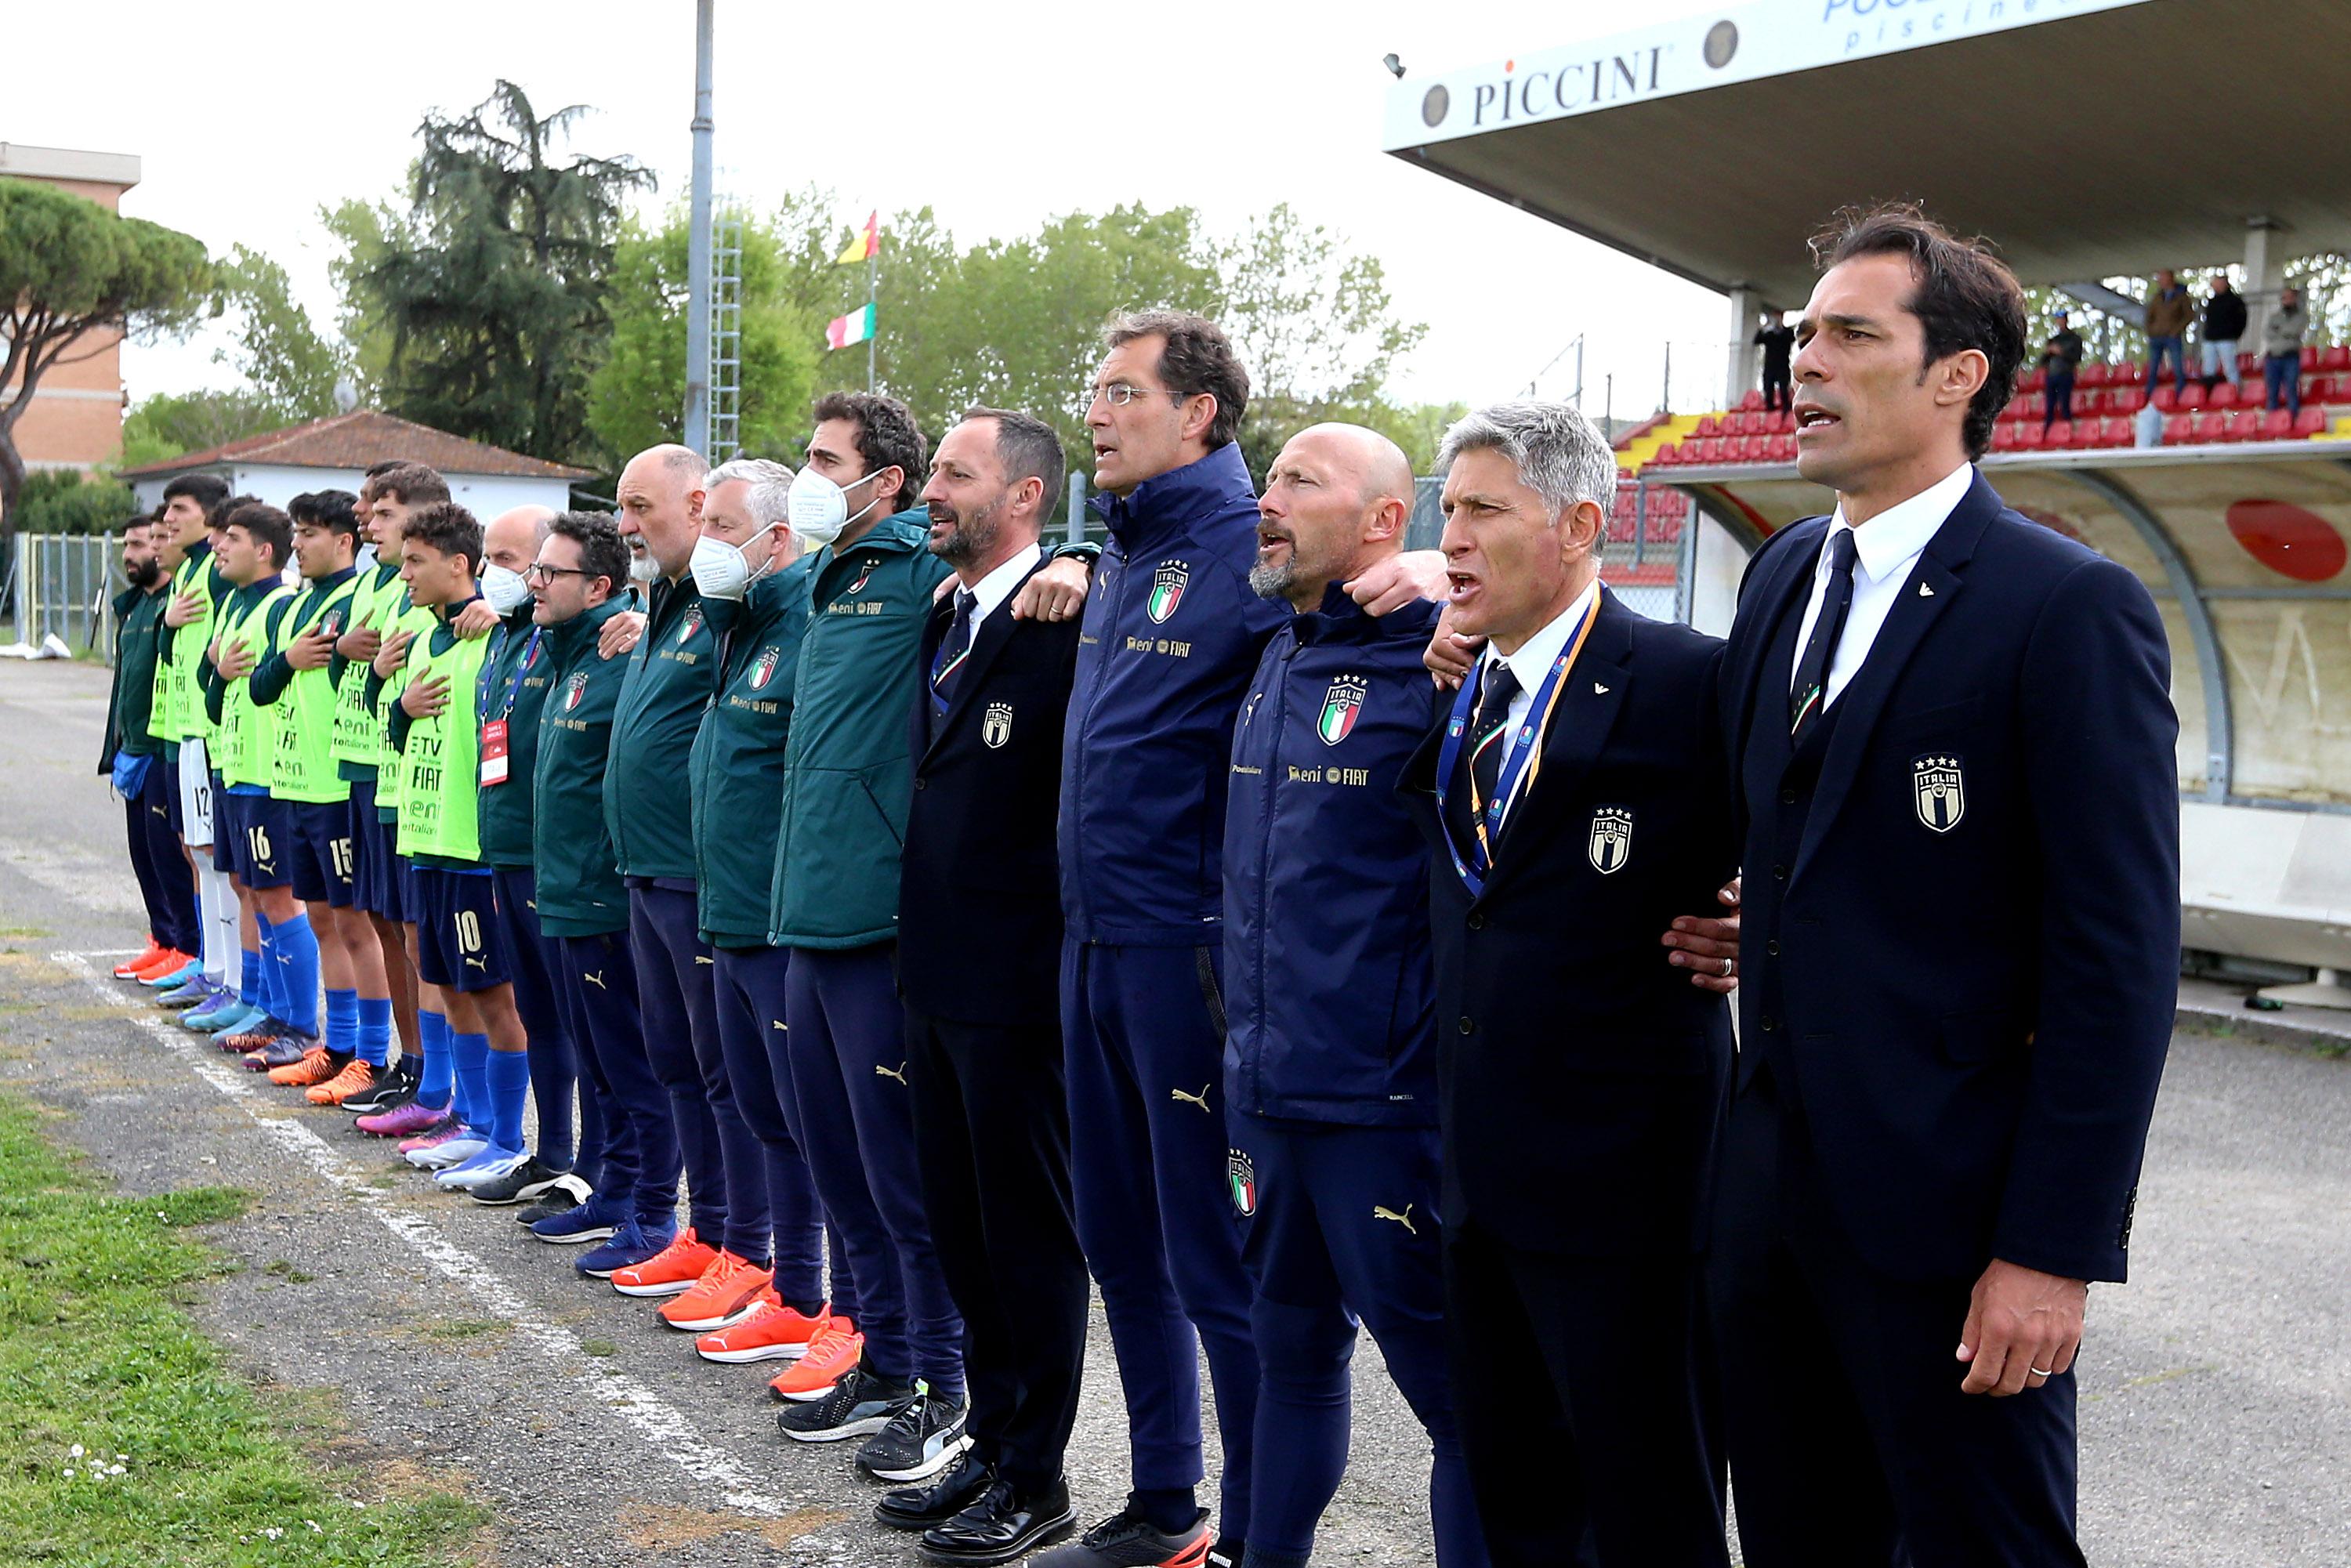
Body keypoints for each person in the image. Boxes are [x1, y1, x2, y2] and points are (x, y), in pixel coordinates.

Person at [1712, 204, 2177, 1567]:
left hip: (1955, 1228)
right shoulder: (1787, 574)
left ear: (1958, 375)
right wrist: (1446, 625)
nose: (1806, 363)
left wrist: (2054, 1248)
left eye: (1853, 335)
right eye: (1803, 336)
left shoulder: (2065, 606)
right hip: (1766, 1210)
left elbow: (2117, 956)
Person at [1037, 310, 1441, 1568]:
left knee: (1230, 1276)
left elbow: (1373, 646)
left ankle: (1249, 1541)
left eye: (1119, 392)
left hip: (1197, 964)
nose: (1093, 414)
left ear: (1196, 410)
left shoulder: (1251, 552)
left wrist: (1430, 574)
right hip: (1091, 945)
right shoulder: (1119, 548)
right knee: (1114, 1238)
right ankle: (1167, 1499)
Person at [1404, 401, 1735, 1568]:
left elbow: (1810, 840)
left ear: (1582, 525)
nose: (1451, 535)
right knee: (1518, 1499)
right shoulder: (1466, 684)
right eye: (1447, 507)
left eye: (1484, 509)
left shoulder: (1692, 682)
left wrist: (1759, 918)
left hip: (1629, 1198)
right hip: (1481, 1185)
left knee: (1651, 1510)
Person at [1223, 424, 1487, 1568]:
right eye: (1269, 479)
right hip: (1264, 1093)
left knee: (1459, 1403)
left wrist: (1448, 583)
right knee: (1289, 1361)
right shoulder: (1277, 648)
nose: (1266, 499)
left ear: (1387, 521)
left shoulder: (1444, 649)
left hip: (1385, 1108)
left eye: (1298, 482)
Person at [882, 407, 1089, 1560]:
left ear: (1023, 497)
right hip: (936, 968)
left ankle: (1042, 1471)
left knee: (1027, 1234)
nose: (932, 491)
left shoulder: (1066, 615)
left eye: (956, 475)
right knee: (960, 1226)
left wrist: (1088, 561)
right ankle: (995, 1435)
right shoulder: (944, 608)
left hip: (1019, 982)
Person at [765, 395, 976, 1477]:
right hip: (805, 905)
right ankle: (887, 1359)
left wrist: (1080, 566)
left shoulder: (918, 574)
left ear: (885, 480)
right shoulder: (820, 577)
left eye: (823, 460)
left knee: (901, 1174)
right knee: (836, 1159)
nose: (806, 476)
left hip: (878, 913)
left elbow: (1028, 574)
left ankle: (944, 1383)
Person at [679, 458, 863, 1391]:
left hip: (780, 918)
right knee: (762, 1114)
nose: (703, 543)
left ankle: (852, 1313)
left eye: (721, 526)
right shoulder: (737, 622)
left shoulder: (808, 625)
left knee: (813, 1125)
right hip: (727, 909)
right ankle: (793, 1291)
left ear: (778, 541)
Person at [603, 444, 759, 1301]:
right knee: (674, 1059)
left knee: (722, 1071)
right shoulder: (661, 598)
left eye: (641, 507)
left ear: (700, 507)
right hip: (646, 871)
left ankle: (751, 1247)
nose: (625, 526)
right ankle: (707, 1234)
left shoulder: (733, 598)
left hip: (701, 876)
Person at [523, 511, 676, 1268]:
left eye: (552, 573)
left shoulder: (624, 651)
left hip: (604, 896)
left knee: (633, 1065)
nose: (534, 582)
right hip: (562, 891)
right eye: (535, 569)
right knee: (600, 1062)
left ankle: (653, 1212)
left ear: (602, 587)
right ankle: (612, 1192)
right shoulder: (568, 652)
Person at [382, 501, 538, 1193]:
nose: (404, 571)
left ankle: (508, 1137)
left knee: (494, 993)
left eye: (416, 560)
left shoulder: (499, 629)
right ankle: (472, 1122)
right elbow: (401, 730)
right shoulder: (423, 635)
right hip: (423, 835)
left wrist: (507, 614)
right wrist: (399, 708)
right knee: (446, 983)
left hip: (474, 844)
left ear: (459, 565)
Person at [468, 503, 603, 1210]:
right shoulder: (505, 638)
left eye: (517, 561)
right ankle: (549, 1152)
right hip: (507, 846)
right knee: (538, 1010)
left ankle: (593, 1161)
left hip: (556, 858)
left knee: (583, 1018)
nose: (503, 575)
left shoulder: (585, 641)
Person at [336, 463, 469, 1120]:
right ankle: (411, 1061)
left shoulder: (463, 607)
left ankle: (434, 1079)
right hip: (385, 783)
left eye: (383, 512)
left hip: (426, 802)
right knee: (393, 928)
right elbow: (372, 695)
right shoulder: (386, 592)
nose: (369, 521)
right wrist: (360, 663)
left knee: (422, 938)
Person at [243, 491, 386, 1102]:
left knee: (358, 924)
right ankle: (339, 1043)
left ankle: (373, 1057)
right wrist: (292, 658)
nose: (297, 544)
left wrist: (316, 660)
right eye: (295, 533)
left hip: (336, 784)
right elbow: (261, 685)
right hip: (294, 780)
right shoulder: (295, 604)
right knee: (325, 917)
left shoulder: (357, 596)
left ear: (344, 542)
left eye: (309, 533)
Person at [199, 502, 319, 1067]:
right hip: (235, 766)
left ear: (265, 551)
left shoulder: (280, 605)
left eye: (233, 538)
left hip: (269, 774)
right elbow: (211, 682)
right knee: (251, 889)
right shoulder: (232, 604)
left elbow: (275, 684)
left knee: (277, 894)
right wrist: (218, 674)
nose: (219, 546)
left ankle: (300, 1021)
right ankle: (269, 1005)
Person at [150, 475, 245, 1030]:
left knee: (215, 857)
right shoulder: (189, 569)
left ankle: (231, 976)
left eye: (178, 509)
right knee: (197, 852)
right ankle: (213, 968)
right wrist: (167, 623)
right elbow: (171, 649)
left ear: (209, 518)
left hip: (211, 733)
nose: (167, 519)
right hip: (188, 729)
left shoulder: (215, 567)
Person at [103, 514, 202, 987]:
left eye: (141, 543)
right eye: (130, 544)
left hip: (164, 745)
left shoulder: (176, 599)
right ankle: (164, 939)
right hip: (133, 748)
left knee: (172, 855)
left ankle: (187, 945)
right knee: (144, 854)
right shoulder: (134, 607)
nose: (133, 553)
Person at [2143, 268, 2193, 400]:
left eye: (2162, 278)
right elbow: (2149, 315)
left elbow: (2189, 316)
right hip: (2156, 336)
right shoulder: (2158, 297)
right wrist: (2150, 330)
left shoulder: (2181, 296)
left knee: (2177, 366)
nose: (2160, 281)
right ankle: (2149, 394)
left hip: (2172, 336)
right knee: (2153, 367)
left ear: (2170, 279)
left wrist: (2176, 330)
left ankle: (2180, 392)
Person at [2263, 283, 2309, 418]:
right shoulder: (2275, 316)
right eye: (2284, 298)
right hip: (2273, 357)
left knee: (2291, 389)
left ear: (2294, 298)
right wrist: (2284, 331)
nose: (2286, 300)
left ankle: (2293, 419)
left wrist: (2279, 330)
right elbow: (2267, 333)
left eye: (2289, 297)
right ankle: (2272, 420)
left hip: (2290, 357)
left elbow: (2295, 330)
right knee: (2272, 391)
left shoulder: (2302, 316)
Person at [2200, 275, 2247, 393]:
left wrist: (2234, 335)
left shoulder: (2235, 301)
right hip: (2210, 338)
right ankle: (2209, 392)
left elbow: (2241, 320)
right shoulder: (2212, 302)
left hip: (2227, 339)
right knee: (2208, 369)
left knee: (2230, 368)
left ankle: (2235, 391)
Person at [2040, 313, 2082, 431]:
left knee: (2065, 405)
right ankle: (2047, 433)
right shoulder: (2053, 340)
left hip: (2065, 375)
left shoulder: (2074, 338)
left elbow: (2076, 357)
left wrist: (2061, 352)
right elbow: (2042, 362)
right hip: (2052, 375)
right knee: (2050, 407)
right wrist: (2048, 352)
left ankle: (2067, 430)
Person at [1755, 313, 1797, 414]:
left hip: (1783, 366)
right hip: (1770, 367)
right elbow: (1757, 341)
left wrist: (1781, 328)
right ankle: (1770, 410)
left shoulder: (1787, 332)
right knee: (1768, 390)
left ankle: (1786, 411)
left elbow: (1793, 338)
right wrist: (1763, 328)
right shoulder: (1770, 335)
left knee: (1784, 390)